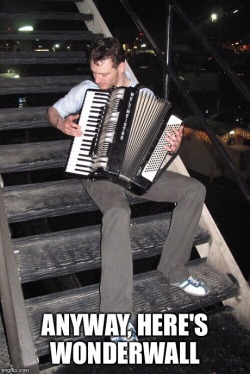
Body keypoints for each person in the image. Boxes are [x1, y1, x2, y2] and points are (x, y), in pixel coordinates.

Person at [47, 37, 209, 342]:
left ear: (121, 67)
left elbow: (160, 146)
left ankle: (173, 269)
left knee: (194, 190)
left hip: (135, 174)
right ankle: (116, 317)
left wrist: (172, 145)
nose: (98, 80)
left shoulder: (144, 95)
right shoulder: (86, 90)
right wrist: (61, 124)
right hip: (97, 173)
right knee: (119, 212)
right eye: (95, 73)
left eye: (104, 74)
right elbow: (53, 111)